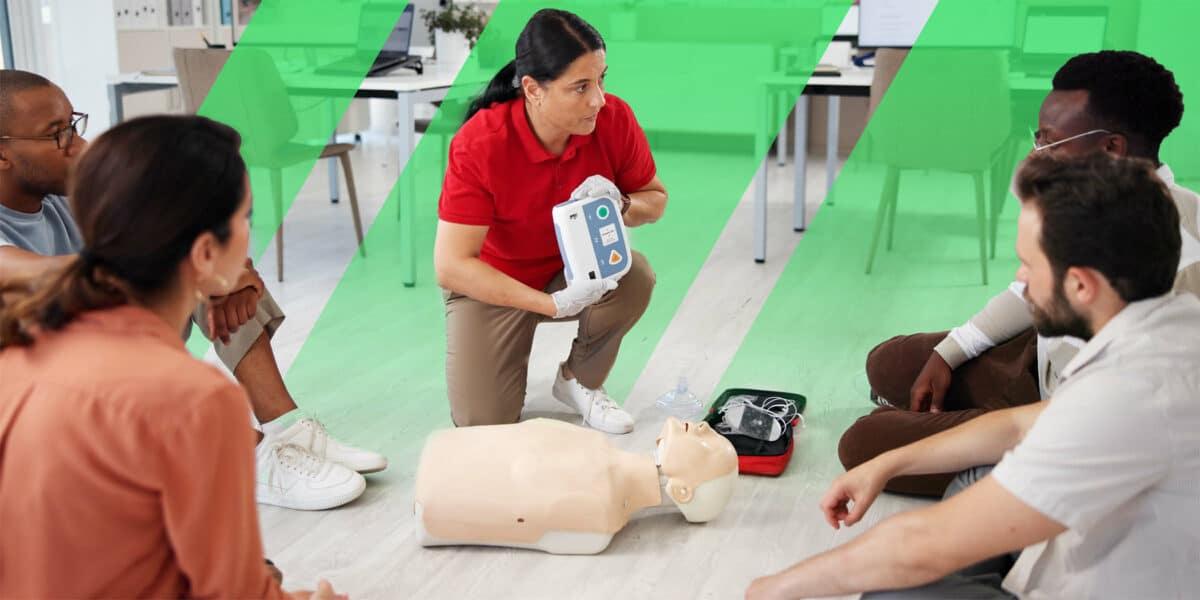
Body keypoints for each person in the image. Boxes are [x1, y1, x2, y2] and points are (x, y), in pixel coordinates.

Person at [747, 153, 1200, 600]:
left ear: (1081, 285)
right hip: (1086, 537)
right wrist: (888, 464)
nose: (1021, 281)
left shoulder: (1127, 395)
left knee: (893, 590)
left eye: (1030, 265)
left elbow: (921, 549)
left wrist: (772, 589)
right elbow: (1021, 423)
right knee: (976, 476)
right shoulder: (1173, 322)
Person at [0, 69, 384, 510]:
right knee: (160, 277)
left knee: (187, 264)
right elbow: (35, 275)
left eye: (74, 123)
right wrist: (198, 267)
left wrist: (222, 273)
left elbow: (174, 226)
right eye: (58, 134)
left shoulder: (65, 189)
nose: (80, 144)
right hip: (32, 396)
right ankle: (247, 457)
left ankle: (284, 426)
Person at [0, 115, 347, 599]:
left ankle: (284, 428)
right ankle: (268, 455)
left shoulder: (14, 364)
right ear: (205, 252)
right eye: (243, 220)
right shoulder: (195, 402)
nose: (248, 236)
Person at [839, 50, 1200, 496]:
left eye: (1050, 140)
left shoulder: (1172, 253)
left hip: (1070, 416)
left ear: (1111, 148)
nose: (1036, 152)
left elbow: (1107, 418)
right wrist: (951, 352)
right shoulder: (1093, 203)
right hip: (1039, 359)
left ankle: (993, 467)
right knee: (888, 363)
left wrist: (994, 444)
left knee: (863, 443)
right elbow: (1029, 292)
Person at [434, 9, 667, 432]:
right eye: (580, 87)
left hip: (572, 268)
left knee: (636, 276)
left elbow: (656, 200)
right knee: (483, 423)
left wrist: (622, 202)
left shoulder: (613, 119)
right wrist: (551, 304)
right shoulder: (481, 143)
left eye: (601, 80)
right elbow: (451, 265)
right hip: (493, 284)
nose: (598, 98)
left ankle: (578, 379)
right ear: (533, 89)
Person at [414, 417, 737, 554]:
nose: (706, 426)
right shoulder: (598, 450)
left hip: (434, 504)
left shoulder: (600, 512)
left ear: (682, 491)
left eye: (708, 446)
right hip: (439, 480)